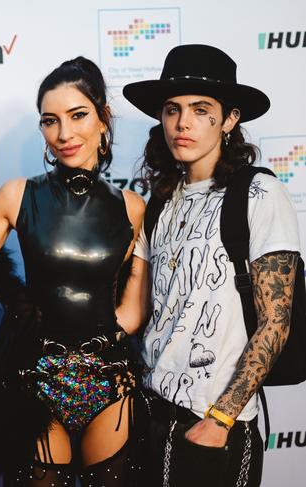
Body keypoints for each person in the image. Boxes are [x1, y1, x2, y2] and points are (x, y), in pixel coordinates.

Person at [0, 57, 146, 486]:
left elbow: (132, 310)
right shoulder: (18, 195)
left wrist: (102, 348)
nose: (64, 134)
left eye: (78, 116)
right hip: (37, 379)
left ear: (103, 118)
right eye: (50, 121)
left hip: (109, 380)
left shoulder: (132, 207)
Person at [122, 44, 301, 487]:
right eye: (171, 109)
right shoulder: (161, 203)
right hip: (149, 412)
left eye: (201, 110)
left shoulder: (257, 194)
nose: (182, 123)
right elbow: (137, 313)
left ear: (230, 120)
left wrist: (221, 419)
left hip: (213, 421)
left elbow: (276, 323)